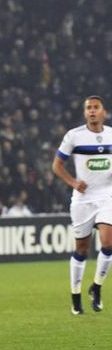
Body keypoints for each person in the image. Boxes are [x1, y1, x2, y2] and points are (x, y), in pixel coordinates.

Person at [52, 95, 112, 315]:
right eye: (89, 108)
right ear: (85, 113)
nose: (92, 111)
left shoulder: (111, 135)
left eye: (96, 107)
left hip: (107, 197)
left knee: (108, 243)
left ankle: (96, 287)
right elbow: (57, 166)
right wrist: (73, 182)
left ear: (103, 112)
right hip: (83, 201)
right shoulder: (74, 136)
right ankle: (76, 296)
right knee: (81, 249)